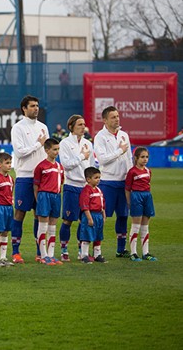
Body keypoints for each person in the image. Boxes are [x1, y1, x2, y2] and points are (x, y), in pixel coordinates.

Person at [10, 95, 49, 263]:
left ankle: (40, 252)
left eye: (37, 105)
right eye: (32, 106)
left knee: (39, 214)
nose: (36, 108)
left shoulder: (43, 127)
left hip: (43, 178)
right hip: (25, 176)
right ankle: (15, 252)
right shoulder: (17, 128)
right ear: (24, 109)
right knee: (19, 213)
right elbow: (19, 152)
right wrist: (38, 144)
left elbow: (48, 151)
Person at [93, 106, 133, 258]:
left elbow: (129, 158)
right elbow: (102, 159)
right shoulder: (100, 137)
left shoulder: (124, 135)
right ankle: (97, 251)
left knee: (123, 216)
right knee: (102, 217)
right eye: (113, 117)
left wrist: (130, 180)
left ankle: (121, 249)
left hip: (123, 183)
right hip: (107, 182)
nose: (117, 119)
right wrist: (119, 151)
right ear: (105, 120)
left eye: (117, 116)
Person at [59, 115, 94, 261]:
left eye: (84, 124)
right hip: (71, 186)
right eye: (79, 124)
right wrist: (81, 156)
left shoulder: (88, 144)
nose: (83, 127)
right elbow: (66, 164)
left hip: (85, 187)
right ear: (71, 126)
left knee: (84, 220)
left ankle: (82, 250)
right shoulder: (65, 143)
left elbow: (91, 166)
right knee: (68, 220)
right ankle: (64, 249)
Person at [33, 138, 64, 265]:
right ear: (47, 150)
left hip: (56, 196)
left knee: (52, 227)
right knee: (43, 226)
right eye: (54, 149)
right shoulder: (41, 166)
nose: (57, 152)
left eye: (58, 149)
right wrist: (39, 200)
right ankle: (43, 255)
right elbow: (36, 186)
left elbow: (60, 182)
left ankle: (51, 255)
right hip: (44, 196)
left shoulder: (59, 167)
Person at [125, 147, 157, 262]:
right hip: (136, 197)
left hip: (147, 196)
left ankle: (145, 253)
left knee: (145, 226)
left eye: (147, 157)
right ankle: (133, 253)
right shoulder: (132, 171)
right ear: (136, 158)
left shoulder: (148, 171)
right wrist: (129, 202)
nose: (145, 159)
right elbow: (127, 188)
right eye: (142, 157)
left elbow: (148, 184)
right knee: (136, 225)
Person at [78, 167, 107, 264]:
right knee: (87, 235)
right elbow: (85, 206)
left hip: (98, 215)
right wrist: (89, 218)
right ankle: (84, 255)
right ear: (88, 179)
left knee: (98, 235)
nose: (98, 179)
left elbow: (102, 204)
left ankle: (97, 254)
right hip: (90, 215)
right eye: (96, 177)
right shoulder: (86, 191)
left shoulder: (98, 190)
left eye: (99, 177)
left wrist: (103, 215)